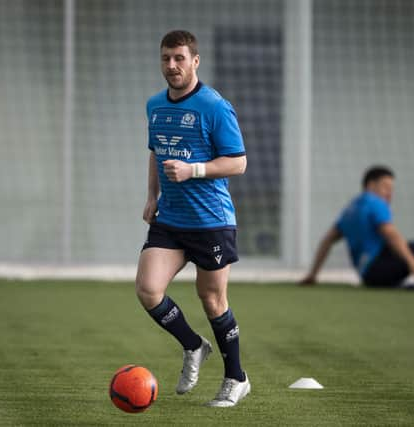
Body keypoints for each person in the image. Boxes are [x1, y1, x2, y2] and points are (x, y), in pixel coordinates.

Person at [135, 30, 250, 407]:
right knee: (149, 290)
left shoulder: (215, 106)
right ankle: (193, 345)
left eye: (179, 58)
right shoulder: (155, 104)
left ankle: (236, 378)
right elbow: (156, 151)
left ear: (195, 61)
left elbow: (238, 162)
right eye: (166, 58)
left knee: (212, 300)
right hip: (170, 219)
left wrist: (193, 171)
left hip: (210, 220)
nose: (172, 65)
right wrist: (152, 196)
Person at [300, 165, 414, 289]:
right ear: (371, 185)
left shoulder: (350, 209)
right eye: (386, 187)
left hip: (369, 277)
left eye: (392, 189)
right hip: (380, 267)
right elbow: (390, 233)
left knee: (403, 254)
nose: (389, 193)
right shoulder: (375, 202)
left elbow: (326, 241)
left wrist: (313, 275)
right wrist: (413, 263)